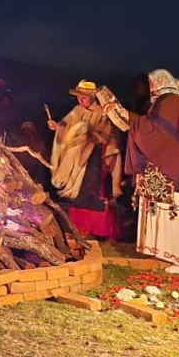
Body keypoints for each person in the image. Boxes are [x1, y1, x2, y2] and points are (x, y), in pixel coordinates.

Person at [102, 69, 179, 274]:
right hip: (171, 165)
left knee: (177, 213)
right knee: (167, 211)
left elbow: (156, 132)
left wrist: (127, 115)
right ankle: (171, 254)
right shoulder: (168, 101)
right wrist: (122, 114)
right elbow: (152, 129)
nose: (150, 87)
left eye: (152, 83)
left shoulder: (171, 101)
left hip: (175, 169)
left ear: (160, 82)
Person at [48, 80, 120, 238]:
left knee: (92, 190)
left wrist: (90, 136)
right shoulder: (76, 111)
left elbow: (106, 134)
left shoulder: (101, 112)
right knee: (77, 193)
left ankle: (100, 230)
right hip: (76, 157)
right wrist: (58, 127)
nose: (81, 100)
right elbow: (65, 126)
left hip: (94, 156)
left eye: (84, 97)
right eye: (79, 97)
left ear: (92, 97)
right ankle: (78, 227)